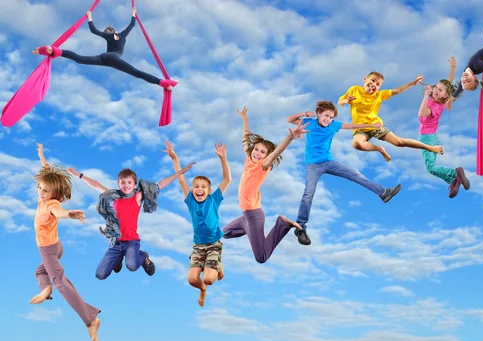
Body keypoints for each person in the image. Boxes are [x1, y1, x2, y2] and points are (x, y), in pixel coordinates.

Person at [287, 101, 403, 246]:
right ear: (318, 114)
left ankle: (383, 193)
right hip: (313, 165)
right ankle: (300, 228)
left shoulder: (334, 125)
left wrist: (373, 126)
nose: (328, 120)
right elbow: (289, 120)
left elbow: (352, 126)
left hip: (329, 162)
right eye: (326, 116)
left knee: (355, 174)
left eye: (331, 117)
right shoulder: (309, 123)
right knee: (308, 193)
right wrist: (303, 114)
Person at [67, 161, 195, 280]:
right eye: (123, 182)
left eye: (129, 182)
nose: (126, 185)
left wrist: (181, 171)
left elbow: (160, 184)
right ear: (118, 184)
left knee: (132, 266)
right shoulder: (114, 196)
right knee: (100, 275)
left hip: (131, 242)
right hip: (115, 243)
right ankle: (117, 259)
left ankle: (143, 256)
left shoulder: (137, 197)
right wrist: (79, 175)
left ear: (134, 185)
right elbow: (97, 185)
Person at [32, 143, 101, 341]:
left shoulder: (52, 204)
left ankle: (90, 320)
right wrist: (42, 155)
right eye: (40, 187)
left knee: (61, 283)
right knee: (40, 273)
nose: (41, 191)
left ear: (55, 194)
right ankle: (46, 289)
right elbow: (47, 172)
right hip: (56, 246)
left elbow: (58, 213)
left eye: (45, 190)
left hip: (49, 250)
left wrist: (68, 214)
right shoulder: (44, 196)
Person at [222, 106, 306, 263]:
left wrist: (290, 137)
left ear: (266, 157)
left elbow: (276, 152)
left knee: (261, 257)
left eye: (262, 152)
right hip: (245, 217)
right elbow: (246, 138)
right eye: (256, 149)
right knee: (223, 234)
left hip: (254, 217)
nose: (257, 153)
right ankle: (251, 232)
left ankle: (282, 224)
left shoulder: (262, 166)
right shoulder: (249, 160)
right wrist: (245, 119)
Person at [32, 8, 177, 90]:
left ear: (109, 31)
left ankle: (54, 51)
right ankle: (162, 83)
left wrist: (90, 17)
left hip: (105, 58)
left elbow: (94, 31)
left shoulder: (108, 36)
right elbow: (131, 25)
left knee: (80, 59)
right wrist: (133, 13)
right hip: (113, 58)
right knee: (136, 73)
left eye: (106, 31)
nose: (106, 33)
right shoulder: (122, 36)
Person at [163, 140, 230, 307]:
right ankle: (203, 291)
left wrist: (223, 158)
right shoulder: (191, 200)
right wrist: (174, 158)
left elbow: (227, 179)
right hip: (198, 246)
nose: (199, 189)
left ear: (208, 191)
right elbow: (181, 180)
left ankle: (217, 264)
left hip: (214, 244)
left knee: (208, 279)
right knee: (193, 280)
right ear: (192, 190)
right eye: (196, 187)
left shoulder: (214, 199)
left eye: (203, 187)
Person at [339, 73, 443, 162]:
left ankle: (431, 148)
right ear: (365, 79)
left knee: (399, 142)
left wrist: (413, 83)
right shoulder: (354, 89)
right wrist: (346, 101)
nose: (374, 84)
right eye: (373, 80)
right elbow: (340, 102)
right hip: (360, 128)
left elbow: (397, 91)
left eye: (377, 84)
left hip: (375, 125)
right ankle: (380, 149)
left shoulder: (379, 94)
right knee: (357, 144)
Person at [417, 57, 470, 198]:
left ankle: (455, 173)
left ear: (445, 95)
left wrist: (426, 96)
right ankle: (453, 181)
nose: (436, 91)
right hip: (433, 138)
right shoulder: (440, 102)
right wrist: (452, 68)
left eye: (440, 90)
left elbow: (421, 113)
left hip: (427, 139)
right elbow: (448, 84)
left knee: (430, 168)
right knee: (432, 166)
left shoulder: (433, 105)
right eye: (436, 88)